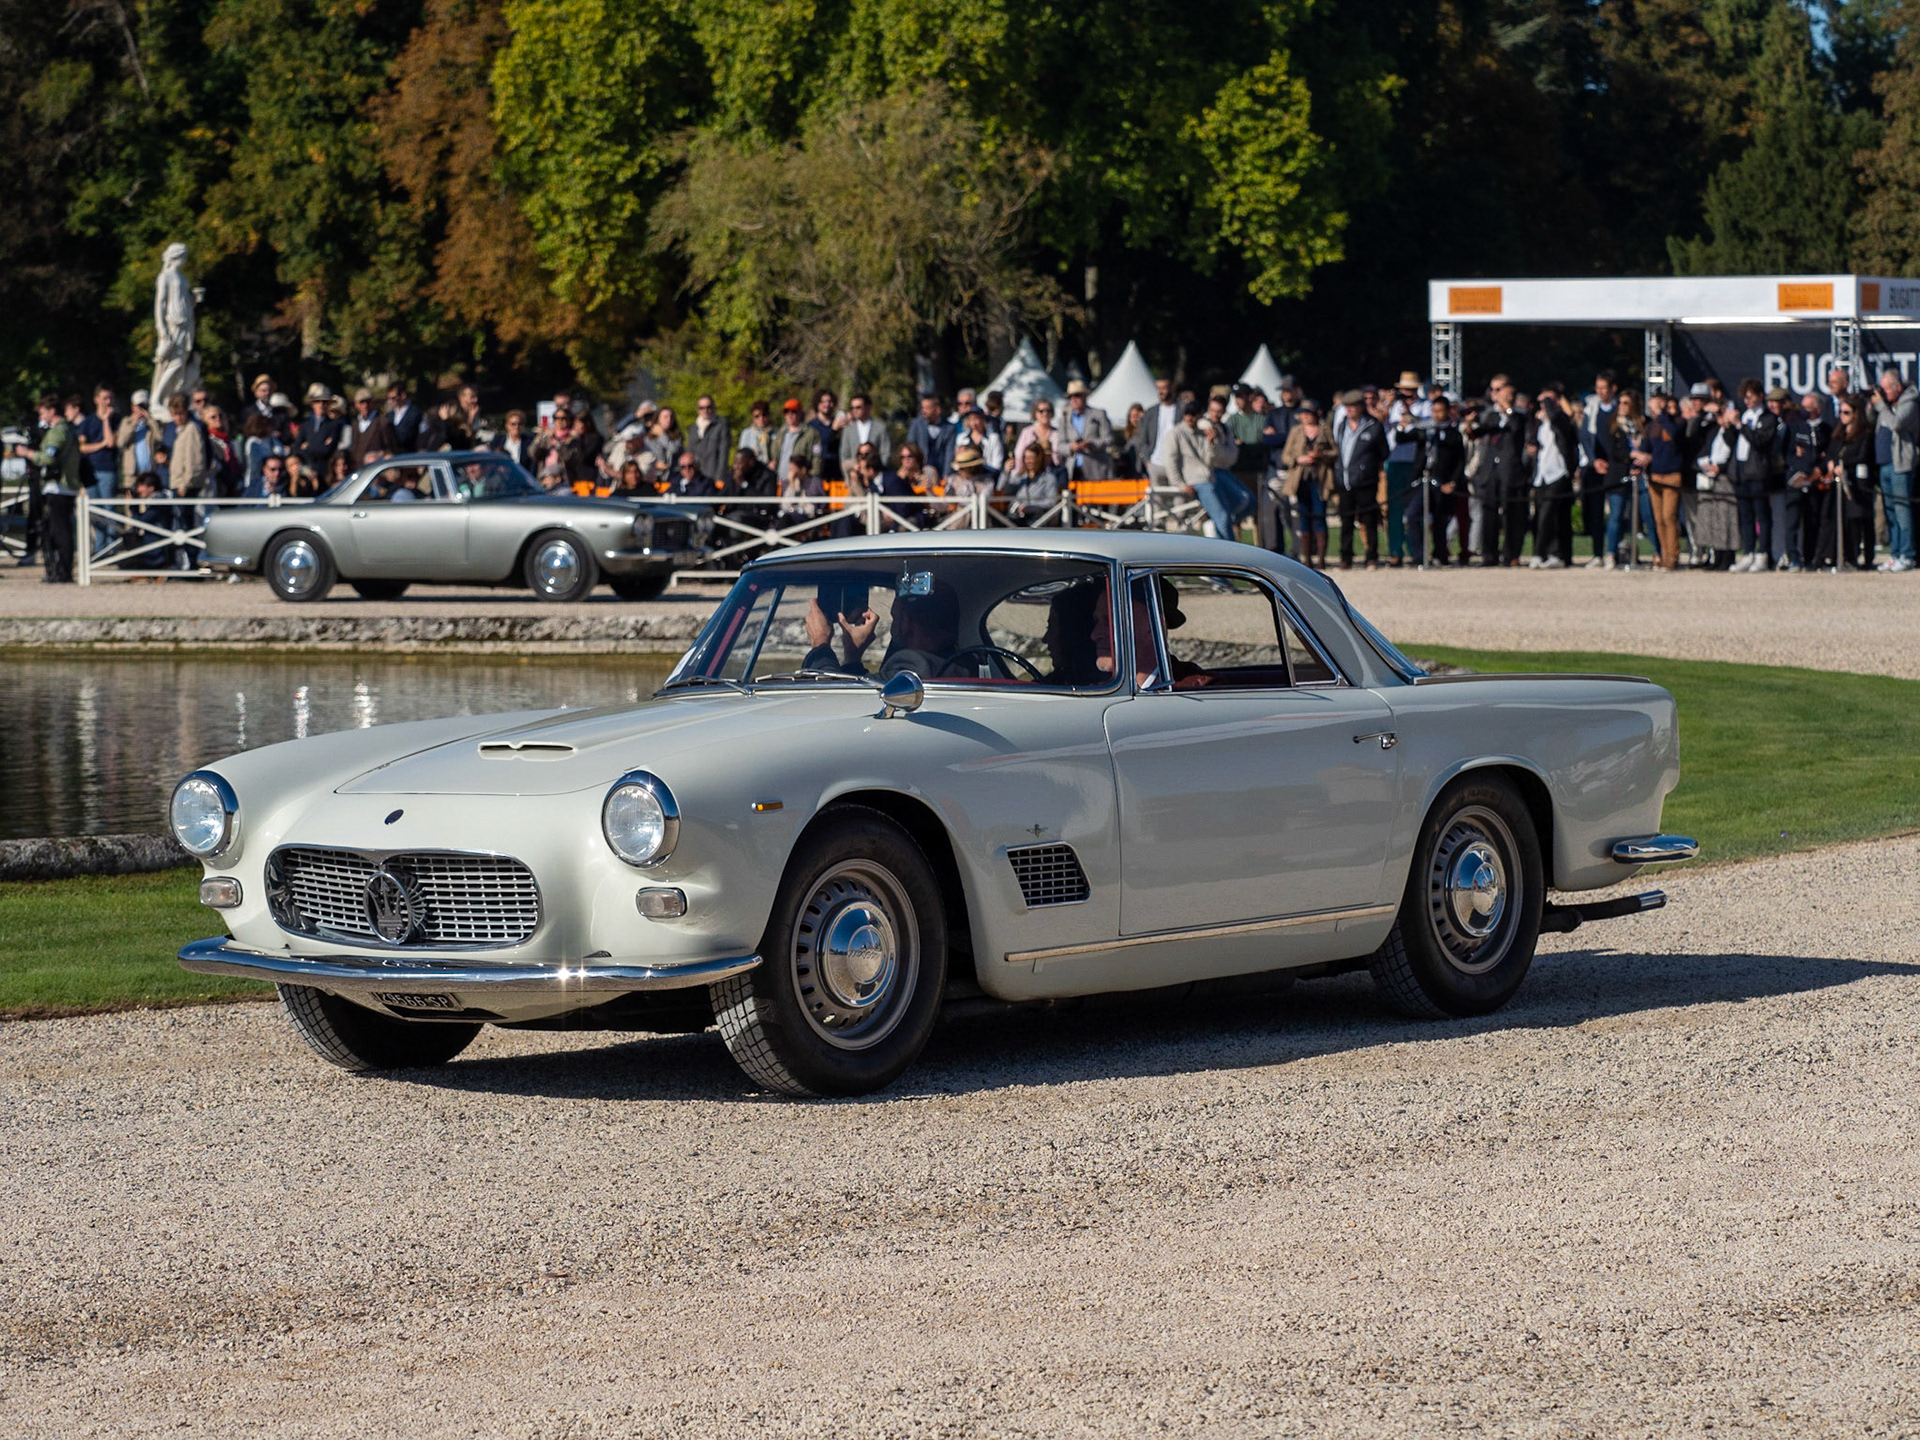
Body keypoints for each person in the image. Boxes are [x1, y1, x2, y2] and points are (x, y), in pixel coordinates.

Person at [13, 394, 81, 581]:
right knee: (59, 529)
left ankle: (63, 571)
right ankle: (61, 569)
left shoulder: (58, 432)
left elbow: (49, 457)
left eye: (43, 412)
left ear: (52, 411)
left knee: (60, 531)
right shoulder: (65, 429)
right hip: (62, 485)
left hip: (60, 486)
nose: (41, 417)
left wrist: (27, 453)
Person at [1726, 379, 1780, 571]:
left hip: (1758, 471)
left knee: (1762, 515)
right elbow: (1732, 441)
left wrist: (1741, 425)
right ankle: (1748, 551)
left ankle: (1763, 553)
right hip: (1740, 469)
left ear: (1760, 396)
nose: (1747, 401)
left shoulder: (1767, 418)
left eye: (1750, 397)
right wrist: (1728, 426)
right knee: (1745, 515)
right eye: (1745, 397)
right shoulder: (1745, 415)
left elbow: (1760, 441)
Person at [1868, 366, 1917, 572]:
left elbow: (1896, 424)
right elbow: (1873, 423)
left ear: (1897, 387)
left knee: (1902, 510)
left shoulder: (1910, 403)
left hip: (1900, 464)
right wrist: (1873, 406)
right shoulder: (1886, 405)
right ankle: (1895, 553)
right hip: (1884, 463)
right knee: (1890, 512)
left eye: (1886, 389)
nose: (1884, 393)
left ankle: (1907, 555)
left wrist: (1881, 407)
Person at [1631, 390, 1685, 570]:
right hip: (1654, 476)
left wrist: (1663, 415)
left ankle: (1672, 556)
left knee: (1669, 516)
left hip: (1671, 475)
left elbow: (1674, 437)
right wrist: (1638, 465)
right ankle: (1663, 553)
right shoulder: (1651, 427)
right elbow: (1646, 449)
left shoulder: (1677, 423)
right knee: (1658, 518)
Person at [1824, 394, 1879, 570]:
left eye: (1846, 412)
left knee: (1862, 518)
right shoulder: (1839, 433)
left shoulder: (1865, 433)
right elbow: (1832, 451)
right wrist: (1832, 463)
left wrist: (1843, 464)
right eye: (1841, 412)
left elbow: (1862, 456)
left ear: (1856, 413)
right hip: (1841, 484)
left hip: (1860, 483)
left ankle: (1867, 557)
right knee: (1847, 520)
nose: (1842, 415)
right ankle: (1849, 556)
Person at [1279, 398, 1335, 569]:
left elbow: (1335, 451)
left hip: (1320, 478)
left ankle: (1321, 559)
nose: (1305, 417)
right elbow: (1285, 456)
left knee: (1319, 516)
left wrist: (1322, 455)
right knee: (1303, 517)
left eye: (1307, 414)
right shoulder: (1296, 431)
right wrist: (1299, 459)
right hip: (1301, 479)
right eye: (1302, 414)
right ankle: (1307, 558)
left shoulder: (1325, 430)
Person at [1411, 394, 1465, 565]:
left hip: (1443, 482)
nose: (1436, 414)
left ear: (1448, 411)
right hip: (1424, 480)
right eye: (1434, 411)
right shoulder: (1425, 430)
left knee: (1440, 521)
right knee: (1413, 514)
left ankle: (1440, 555)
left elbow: (1459, 461)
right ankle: (1419, 555)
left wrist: (1453, 482)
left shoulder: (1453, 434)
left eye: (1440, 411)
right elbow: (1404, 437)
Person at [1690, 396, 1741, 567]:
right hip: (1709, 477)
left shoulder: (1732, 431)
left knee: (1726, 519)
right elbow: (1695, 435)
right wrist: (1703, 413)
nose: (1719, 418)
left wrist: (1727, 425)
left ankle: (1727, 557)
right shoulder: (1712, 430)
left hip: (1725, 478)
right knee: (1712, 519)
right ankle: (1715, 556)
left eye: (1722, 414)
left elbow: (1732, 446)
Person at [1783, 392, 1831, 572]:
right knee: (1792, 521)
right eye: (1801, 407)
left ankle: (1811, 558)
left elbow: (1828, 453)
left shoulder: (1826, 429)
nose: (1803, 411)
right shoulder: (1794, 427)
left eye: (1807, 408)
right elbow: (1787, 453)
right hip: (1796, 480)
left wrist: (1819, 468)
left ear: (1817, 410)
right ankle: (1793, 558)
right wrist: (1797, 467)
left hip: (1815, 481)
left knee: (1813, 520)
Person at [1578, 370, 1620, 562]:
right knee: (1595, 513)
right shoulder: (1591, 408)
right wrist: (1594, 459)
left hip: (1616, 467)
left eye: (1604, 388)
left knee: (1616, 513)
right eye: (1598, 388)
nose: (1601, 392)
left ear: (1613, 389)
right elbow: (1585, 437)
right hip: (1596, 466)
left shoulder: (1620, 408)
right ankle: (1597, 553)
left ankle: (1614, 551)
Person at [1137, 375, 1182, 485]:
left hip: (1177, 464)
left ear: (1171, 388)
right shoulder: (1150, 412)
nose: (1161, 391)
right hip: (1155, 463)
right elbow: (1143, 439)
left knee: (1180, 499)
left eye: (1164, 388)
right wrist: (1147, 461)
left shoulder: (1182, 410)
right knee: (1157, 500)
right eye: (1158, 388)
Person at [772, 398, 823, 485]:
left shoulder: (811, 433)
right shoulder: (781, 432)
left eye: (793, 412)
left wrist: (809, 475)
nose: (790, 415)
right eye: (787, 412)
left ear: (800, 413)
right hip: (781, 480)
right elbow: (775, 456)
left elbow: (817, 458)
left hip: (801, 481)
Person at [906, 393, 958, 478]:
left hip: (940, 473)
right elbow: (910, 448)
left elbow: (949, 454)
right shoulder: (916, 424)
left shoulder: (949, 428)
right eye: (922, 408)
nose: (923, 411)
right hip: (919, 473)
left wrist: (946, 475)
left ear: (937, 410)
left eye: (927, 408)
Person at [836, 393, 890, 474]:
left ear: (868, 407)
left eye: (858, 407)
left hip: (876, 474)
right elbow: (844, 455)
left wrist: (878, 471)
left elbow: (885, 452)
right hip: (855, 475)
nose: (855, 411)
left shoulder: (881, 428)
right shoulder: (848, 430)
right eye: (852, 408)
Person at [687, 394, 733, 486]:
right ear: (698, 410)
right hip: (697, 477)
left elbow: (724, 453)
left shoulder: (722, 425)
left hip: (714, 475)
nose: (705, 410)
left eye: (708, 407)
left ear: (713, 408)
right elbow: (689, 452)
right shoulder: (693, 428)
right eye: (702, 408)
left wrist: (720, 476)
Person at [376, 381, 423, 454]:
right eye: (388, 398)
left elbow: (404, 437)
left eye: (393, 398)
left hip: (408, 456)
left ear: (403, 395)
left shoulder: (414, 413)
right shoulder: (390, 415)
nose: (390, 401)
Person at [738, 399, 774, 468]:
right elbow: (742, 454)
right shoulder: (747, 434)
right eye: (757, 416)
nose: (761, 418)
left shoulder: (775, 434)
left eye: (764, 415)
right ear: (753, 418)